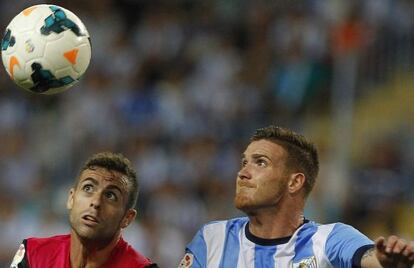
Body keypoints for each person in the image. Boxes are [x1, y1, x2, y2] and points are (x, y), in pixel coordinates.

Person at [180, 125, 414, 268]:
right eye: (244, 162)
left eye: (260, 162)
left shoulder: (329, 239)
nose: (243, 173)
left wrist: (386, 263)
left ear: (294, 182)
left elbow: (369, 257)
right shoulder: (212, 238)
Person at [10, 152, 158, 268]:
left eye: (111, 195)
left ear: (127, 218)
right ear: (71, 199)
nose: (96, 202)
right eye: (88, 188)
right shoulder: (33, 254)